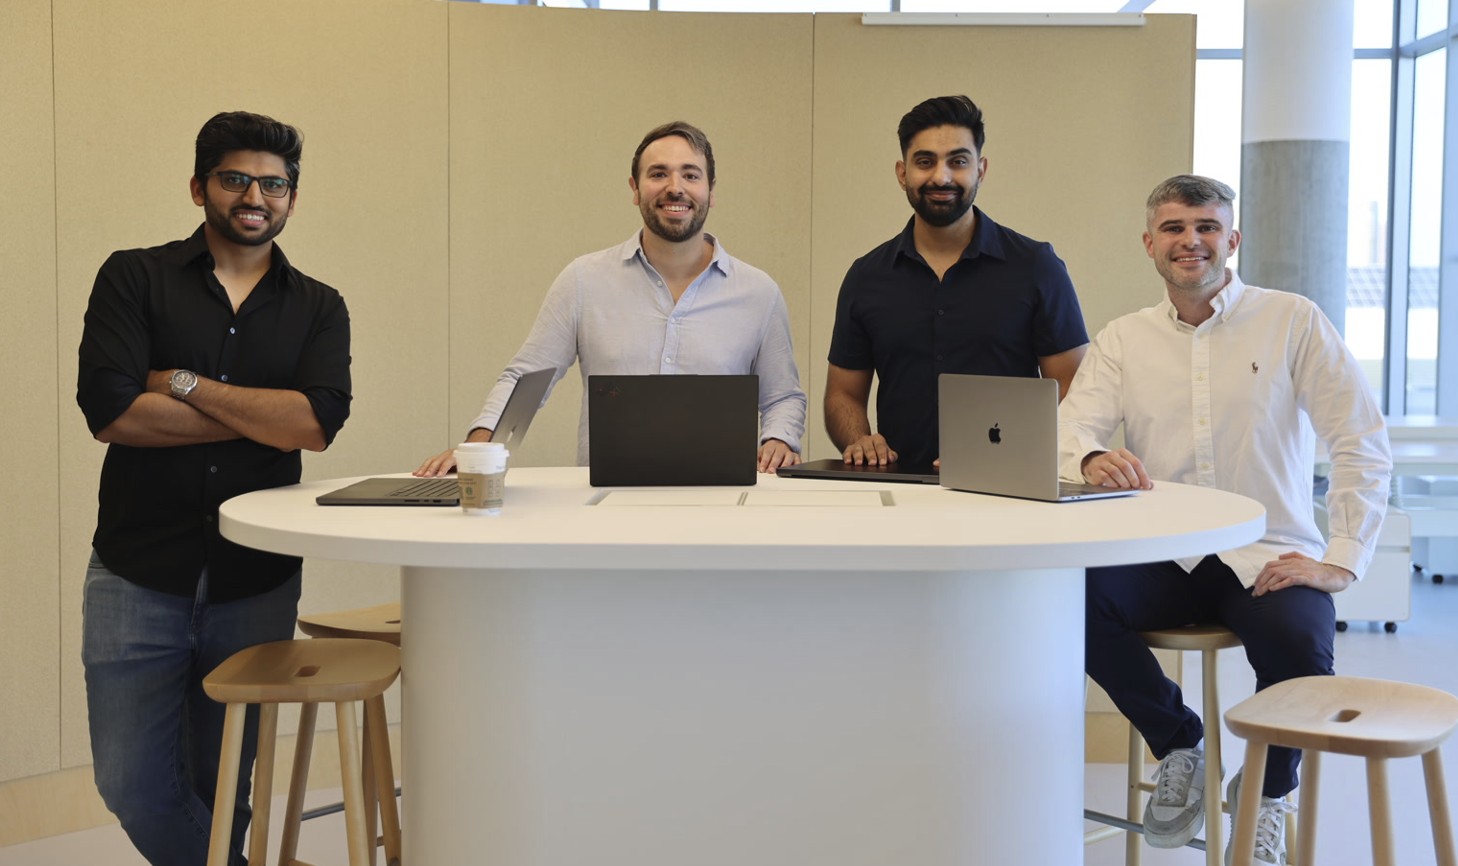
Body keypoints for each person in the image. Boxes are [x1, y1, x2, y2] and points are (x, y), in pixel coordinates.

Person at [1060, 175, 1391, 866]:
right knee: (1069, 602)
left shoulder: (1291, 319)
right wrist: (1090, 456)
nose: (1192, 240)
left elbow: (1360, 436)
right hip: (1162, 551)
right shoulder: (1123, 339)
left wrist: (1344, 554)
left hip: (1267, 552)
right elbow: (1069, 429)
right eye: (1175, 227)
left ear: (1231, 239)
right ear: (1150, 243)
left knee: (1302, 649)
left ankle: (1270, 792)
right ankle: (1180, 741)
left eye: (1207, 226)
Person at [76, 111, 352, 866]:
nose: (255, 195)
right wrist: (265, 414)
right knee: (132, 782)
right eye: (236, 178)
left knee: (223, 778)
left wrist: (190, 385)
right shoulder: (133, 276)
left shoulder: (318, 305)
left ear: (293, 197)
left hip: (253, 583)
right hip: (138, 572)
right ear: (200, 186)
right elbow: (115, 413)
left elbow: (317, 423)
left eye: (274, 183)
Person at [415, 120, 806, 476]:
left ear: (711, 192)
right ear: (635, 190)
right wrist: (478, 448)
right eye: (658, 174)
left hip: (721, 504)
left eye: (691, 175)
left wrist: (778, 440)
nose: (675, 187)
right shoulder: (584, 280)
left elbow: (783, 396)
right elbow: (526, 377)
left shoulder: (758, 292)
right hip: (606, 506)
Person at [824, 94, 1089, 469]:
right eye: (925, 162)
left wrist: (1003, 448)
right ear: (903, 173)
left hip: (1009, 489)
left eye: (958, 161)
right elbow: (842, 395)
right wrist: (860, 440)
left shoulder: (1036, 266)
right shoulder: (866, 276)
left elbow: (1072, 389)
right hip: (900, 492)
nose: (941, 176)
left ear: (981, 169)